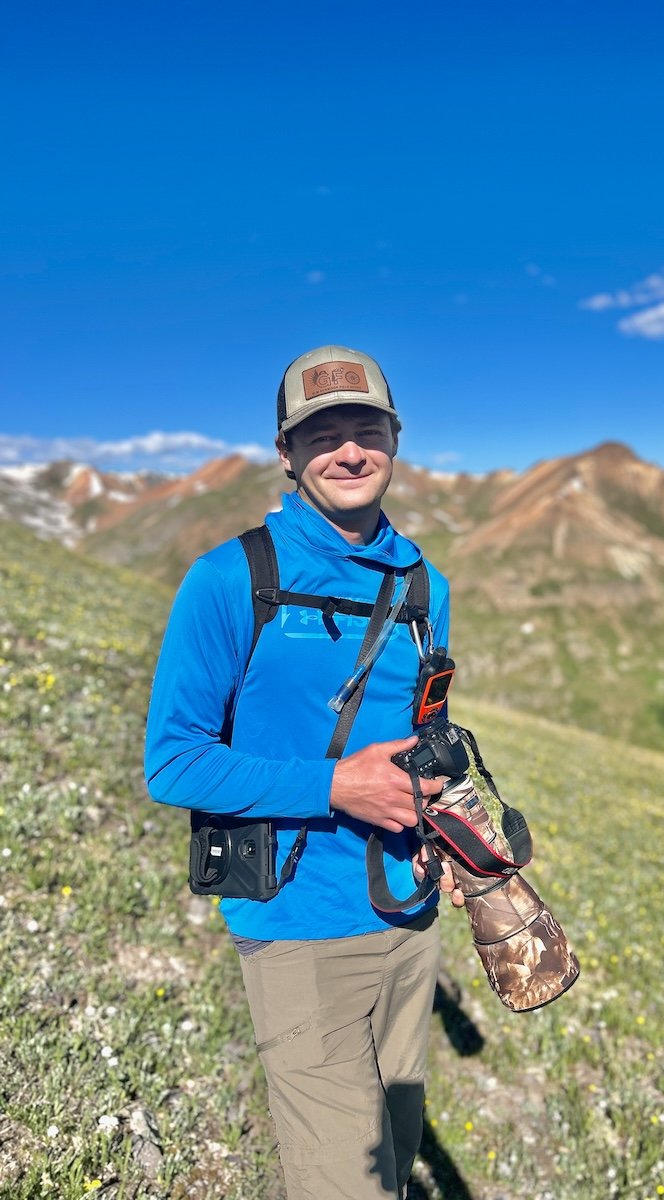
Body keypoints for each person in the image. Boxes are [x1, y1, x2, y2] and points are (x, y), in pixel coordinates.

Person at [144, 345, 463, 1200]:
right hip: (296, 927)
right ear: (286, 455)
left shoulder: (424, 584)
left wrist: (452, 832)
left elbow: (420, 735)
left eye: (367, 428)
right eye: (323, 434)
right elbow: (172, 763)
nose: (349, 451)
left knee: (392, 1155)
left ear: (396, 440)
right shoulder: (228, 580)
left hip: (410, 918)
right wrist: (334, 788)